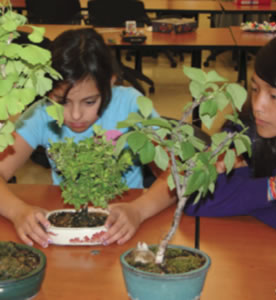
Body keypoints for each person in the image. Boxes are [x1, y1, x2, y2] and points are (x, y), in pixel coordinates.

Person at [0, 28, 175, 248]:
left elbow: (176, 174)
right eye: (61, 102)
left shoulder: (132, 106)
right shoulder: (41, 113)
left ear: (110, 82)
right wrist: (18, 212)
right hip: (66, 229)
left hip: (122, 228)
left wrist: (138, 211)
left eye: (90, 102)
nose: (75, 115)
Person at [185, 27, 276, 234]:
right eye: (255, 89)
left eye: (275, 96)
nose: (257, 106)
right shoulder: (246, 126)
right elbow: (195, 199)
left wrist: (244, 190)